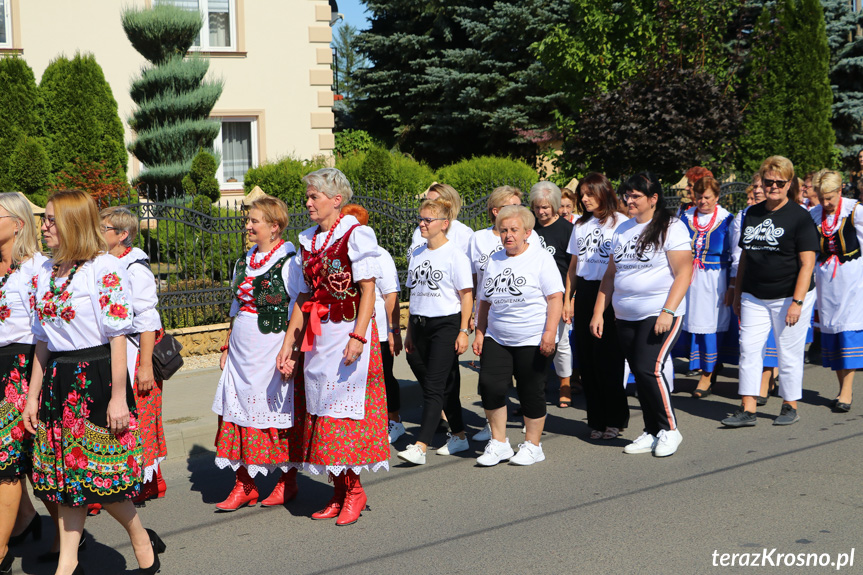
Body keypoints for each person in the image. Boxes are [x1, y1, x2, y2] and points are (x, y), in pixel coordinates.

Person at [23, 190, 165, 575]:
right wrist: (32, 397)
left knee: (102, 478)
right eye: (44, 219)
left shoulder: (104, 269)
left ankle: (138, 537)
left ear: (72, 222)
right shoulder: (46, 271)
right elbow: (42, 341)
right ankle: (68, 565)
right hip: (59, 379)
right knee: (70, 478)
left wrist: (120, 396)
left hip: (96, 377)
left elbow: (118, 336)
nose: (45, 226)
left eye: (52, 219)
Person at [277, 168, 389, 527]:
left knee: (343, 416)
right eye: (307, 196)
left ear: (336, 200)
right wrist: (288, 345)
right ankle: (338, 491)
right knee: (322, 415)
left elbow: (368, 290)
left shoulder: (356, 235)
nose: (308, 203)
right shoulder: (308, 240)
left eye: (314, 197)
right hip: (318, 337)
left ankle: (354, 491)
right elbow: (303, 296)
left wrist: (359, 336)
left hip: (347, 335)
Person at [211, 196, 304, 511]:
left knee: (277, 416)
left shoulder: (290, 262)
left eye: (254, 221)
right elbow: (236, 307)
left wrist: (290, 351)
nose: (248, 225)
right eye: (248, 220)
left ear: (274, 227)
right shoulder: (244, 260)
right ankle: (244, 484)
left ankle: (287, 481)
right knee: (235, 412)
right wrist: (227, 345)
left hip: (272, 347)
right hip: (241, 348)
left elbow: (299, 310)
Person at [591, 173, 693, 457]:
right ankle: (652, 430)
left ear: (653, 198)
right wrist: (599, 311)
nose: (629, 200)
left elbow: (685, 272)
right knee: (639, 372)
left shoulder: (671, 227)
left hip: (659, 312)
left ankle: (670, 430)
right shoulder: (623, 230)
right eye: (627, 195)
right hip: (624, 316)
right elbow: (610, 275)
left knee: (651, 369)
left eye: (636, 196)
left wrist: (667, 311)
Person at [723, 156, 819, 428]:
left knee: (788, 351)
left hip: (789, 295)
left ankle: (789, 405)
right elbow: (744, 257)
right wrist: (738, 292)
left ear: (790, 183)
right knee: (749, 349)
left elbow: (807, 263)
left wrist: (797, 302)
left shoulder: (800, 216)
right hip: (754, 294)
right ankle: (748, 408)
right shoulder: (752, 213)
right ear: (762, 182)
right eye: (768, 182)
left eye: (780, 182)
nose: (773, 186)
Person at [473, 205, 564, 466]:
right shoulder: (494, 260)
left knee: (530, 391)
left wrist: (549, 332)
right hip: (497, 336)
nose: (508, 235)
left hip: (532, 336)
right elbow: (484, 301)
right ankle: (499, 443)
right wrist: (480, 332)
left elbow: (555, 297)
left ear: (527, 232)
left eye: (514, 230)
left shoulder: (540, 258)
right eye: (503, 230)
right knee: (491, 386)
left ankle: (533, 445)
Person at [397, 198, 473, 465]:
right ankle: (460, 435)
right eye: (421, 218)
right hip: (419, 324)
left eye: (428, 220)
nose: (422, 223)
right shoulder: (417, 252)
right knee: (445, 384)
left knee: (434, 386)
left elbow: (466, 295)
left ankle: (420, 445)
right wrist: (409, 332)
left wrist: (464, 330)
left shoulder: (455, 255)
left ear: (444, 224)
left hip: (446, 324)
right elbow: (414, 292)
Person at [100, 207, 167, 506]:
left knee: (140, 416)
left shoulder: (134, 267)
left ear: (122, 235)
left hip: (134, 350)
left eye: (104, 228)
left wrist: (145, 366)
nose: (98, 232)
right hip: (111, 350)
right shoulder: (100, 263)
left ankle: (151, 480)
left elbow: (147, 319)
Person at [0, 193, 48, 573]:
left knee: (9, 464)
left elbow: (44, 334)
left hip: (21, 367)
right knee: (26, 461)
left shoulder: (35, 269)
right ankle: (35, 521)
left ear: (17, 224)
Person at [563, 174, 629, 440]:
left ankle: (615, 419)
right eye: (582, 194)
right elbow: (573, 266)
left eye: (589, 193)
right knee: (588, 360)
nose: (584, 199)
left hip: (612, 292)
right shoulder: (580, 225)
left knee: (608, 360)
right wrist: (569, 299)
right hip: (587, 292)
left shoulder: (621, 224)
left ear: (603, 192)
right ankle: (597, 420)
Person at [340, 205, 406, 443]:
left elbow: (390, 295)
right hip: (347, 330)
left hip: (376, 330)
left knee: (383, 376)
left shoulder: (379, 253)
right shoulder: (340, 254)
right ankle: (365, 423)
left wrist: (393, 331)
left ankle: (394, 421)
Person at [467, 186, 523, 442]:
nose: (519, 211)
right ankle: (492, 426)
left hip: (519, 314)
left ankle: (529, 415)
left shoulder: (523, 234)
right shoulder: (478, 238)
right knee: (490, 375)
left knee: (522, 372)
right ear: (496, 210)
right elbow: (474, 277)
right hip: (488, 313)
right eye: (513, 206)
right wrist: (473, 312)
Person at [809, 171, 863, 412]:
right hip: (826, 282)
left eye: (830, 198)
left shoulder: (855, 212)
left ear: (840, 192)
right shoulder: (814, 215)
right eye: (822, 198)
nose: (826, 203)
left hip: (853, 280)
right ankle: (842, 388)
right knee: (833, 332)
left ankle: (847, 391)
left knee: (848, 331)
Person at [677, 177, 735, 397]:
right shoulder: (684, 218)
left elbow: (736, 256)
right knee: (690, 322)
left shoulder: (727, 220)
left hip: (715, 279)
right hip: (690, 278)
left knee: (710, 323)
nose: (702, 201)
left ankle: (708, 374)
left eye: (707, 197)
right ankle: (700, 366)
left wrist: (732, 285)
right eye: (699, 196)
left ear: (717, 197)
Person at [729, 176, 779, 404]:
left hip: (778, 286)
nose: (759, 191)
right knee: (749, 343)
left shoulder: (789, 213)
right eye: (756, 187)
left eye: (763, 186)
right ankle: (748, 402)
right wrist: (735, 288)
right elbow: (740, 254)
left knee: (772, 337)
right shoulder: (746, 215)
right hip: (752, 283)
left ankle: (767, 379)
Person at [529, 182, 575, 408]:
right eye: (537, 207)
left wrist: (570, 299)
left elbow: (573, 269)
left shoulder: (567, 230)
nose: (541, 212)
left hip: (558, 297)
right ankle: (535, 388)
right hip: (532, 296)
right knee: (533, 343)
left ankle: (565, 384)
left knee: (561, 343)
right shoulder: (530, 228)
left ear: (556, 205)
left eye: (546, 207)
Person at [407, 183, 474, 260]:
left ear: (448, 204)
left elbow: (470, 269)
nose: (427, 205)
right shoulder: (419, 230)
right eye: (426, 201)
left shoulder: (463, 233)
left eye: (433, 202)